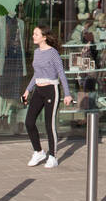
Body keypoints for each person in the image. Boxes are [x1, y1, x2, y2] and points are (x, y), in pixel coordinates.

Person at [21, 27, 73, 168]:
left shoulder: (53, 53)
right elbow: (36, 74)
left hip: (51, 90)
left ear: (44, 37)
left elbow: (61, 73)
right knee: (29, 122)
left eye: (36, 34)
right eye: (33, 34)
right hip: (38, 89)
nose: (33, 36)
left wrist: (67, 94)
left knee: (49, 125)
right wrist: (27, 90)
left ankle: (53, 156)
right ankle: (38, 152)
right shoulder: (37, 52)